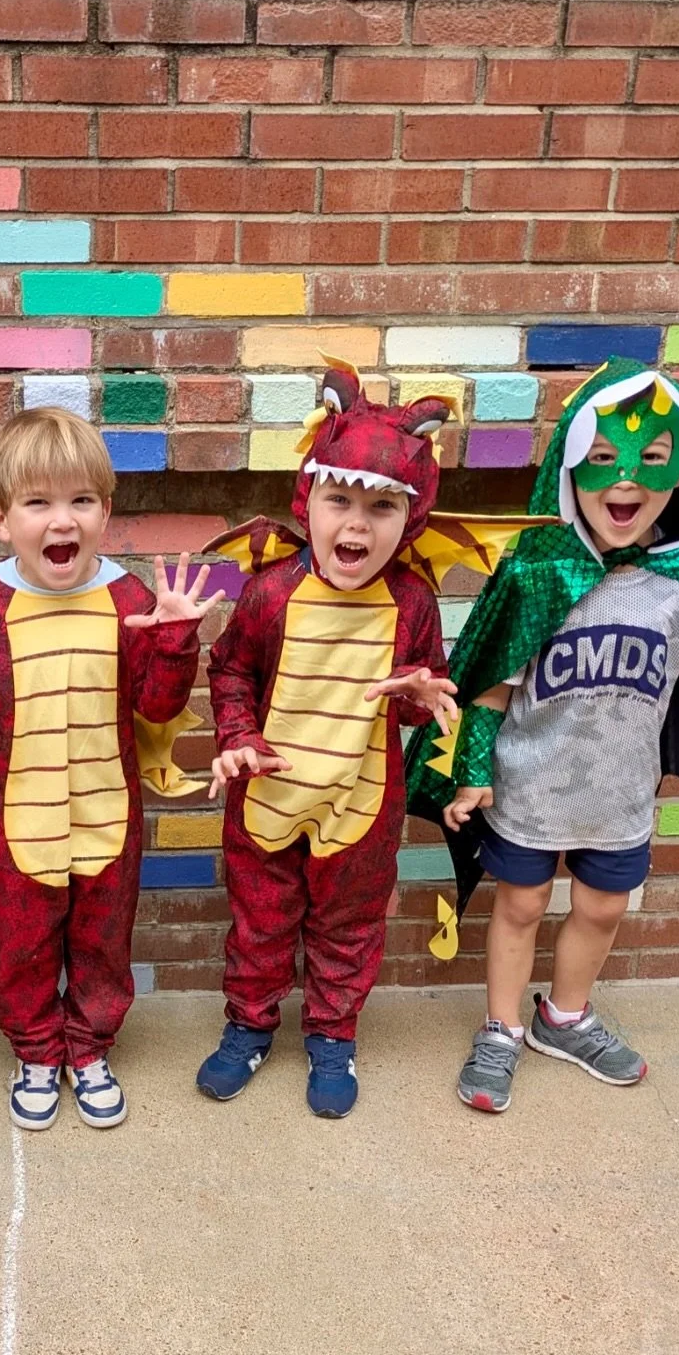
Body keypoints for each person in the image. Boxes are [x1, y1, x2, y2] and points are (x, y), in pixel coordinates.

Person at [404, 358, 679, 1113]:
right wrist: (472, 770)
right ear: (571, 465)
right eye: (602, 460)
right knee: (522, 905)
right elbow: (490, 684)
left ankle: (563, 1018)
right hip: (531, 788)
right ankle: (501, 1029)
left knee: (603, 908)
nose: (623, 481)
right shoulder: (537, 572)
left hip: (620, 794)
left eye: (648, 462)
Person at [0, 406, 218, 1131]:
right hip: (9, 830)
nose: (60, 520)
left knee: (102, 946)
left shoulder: (130, 601)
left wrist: (176, 642)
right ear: (0, 519)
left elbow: (157, 710)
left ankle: (88, 1046)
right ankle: (37, 1050)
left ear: (105, 511)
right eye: (38, 503)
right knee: (18, 948)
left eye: (80, 501)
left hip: (107, 820)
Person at [194, 366, 456, 1117]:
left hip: (361, 806)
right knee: (259, 925)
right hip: (268, 797)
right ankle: (248, 1025)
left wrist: (420, 696)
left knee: (347, 929)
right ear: (308, 502)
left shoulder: (413, 601)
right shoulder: (270, 591)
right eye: (340, 500)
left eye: (382, 508)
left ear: (410, 518)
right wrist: (237, 735)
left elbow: (423, 694)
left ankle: (334, 1034)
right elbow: (231, 668)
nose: (357, 525)